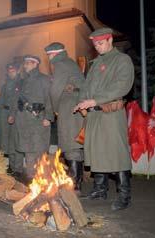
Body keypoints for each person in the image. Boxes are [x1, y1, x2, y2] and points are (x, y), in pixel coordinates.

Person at [74, 28, 134, 211]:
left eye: (100, 43)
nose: (97, 47)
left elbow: (122, 86)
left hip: (111, 113)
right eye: (95, 44)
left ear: (109, 40)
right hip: (94, 114)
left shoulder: (122, 60)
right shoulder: (95, 63)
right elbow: (85, 86)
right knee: (95, 151)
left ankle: (124, 194)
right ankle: (100, 188)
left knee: (117, 152)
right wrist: (82, 102)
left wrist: (95, 100)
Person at [44, 42, 85, 193]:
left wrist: (55, 110)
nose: (48, 58)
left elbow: (55, 91)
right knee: (76, 145)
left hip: (68, 106)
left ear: (54, 54)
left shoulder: (60, 64)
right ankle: (77, 183)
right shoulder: (69, 62)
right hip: (77, 105)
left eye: (49, 55)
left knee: (70, 144)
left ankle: (73, 185)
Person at [8, 55, 53, 182]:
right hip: (23, 120)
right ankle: (31, 179)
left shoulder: (44, 79)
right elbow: (16, 99)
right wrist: (12, 114)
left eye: (28, 63)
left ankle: (42, 178)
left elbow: (49, 98)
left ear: (35, 64)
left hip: (38, 119)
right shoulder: (22, 81)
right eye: (25, 63)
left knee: (39, 149)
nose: (25, 65)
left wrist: (48, 117)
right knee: (28, 150)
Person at [0, 63, 24, 176]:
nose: (10, 72)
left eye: (12, 70)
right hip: (4, 114)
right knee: (5, 141)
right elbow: (1, 100)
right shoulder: (5, 85)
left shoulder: (21, 83)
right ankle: (11, 165)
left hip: (16, 114)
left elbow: (17, 101)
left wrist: (13, 114)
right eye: (9, 71)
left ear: (18, 71)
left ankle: (17, 167)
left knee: (15, 140)